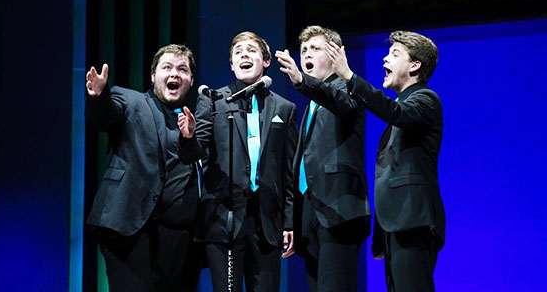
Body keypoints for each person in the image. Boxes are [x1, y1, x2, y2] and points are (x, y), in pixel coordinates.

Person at [325, 31, 446, 292]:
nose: (385, 59)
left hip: (414, 221)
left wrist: (349, 77)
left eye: (395, 54)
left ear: (415, 66)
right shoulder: (404, 104)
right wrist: (380, 234)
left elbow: (395, 113)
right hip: (398, 226)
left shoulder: (426, 99)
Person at [85, 44, 202, 292]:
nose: (174, 74)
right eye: (167, 67)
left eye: (182, 69)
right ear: (153, 76)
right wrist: (98, 97)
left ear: (191, 80)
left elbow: (194, 161)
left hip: (180, 242)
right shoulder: (130, 100)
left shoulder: (193, 122)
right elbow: (105, 116)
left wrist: (189, 138)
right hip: (131, 231)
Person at [194, 31, 298, 291]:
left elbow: (288, 170)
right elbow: (195, 151)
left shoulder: (284, 109)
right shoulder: (213, 101)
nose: (244, 55)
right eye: (238, 52)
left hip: (266, 222)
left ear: (265, 62)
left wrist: (288, 220)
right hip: (224, 218)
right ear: (231, 65)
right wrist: (187, 138)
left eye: (251, 50)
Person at [275, 25, 371, 292]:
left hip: (338, 210)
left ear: (335, 54)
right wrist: (293, 221)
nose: (307, 53)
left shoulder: (348, 88)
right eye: (304, 49)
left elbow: (343, 104)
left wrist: (302, 83)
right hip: (311, 213)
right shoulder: (311, 105)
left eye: (315, 48)